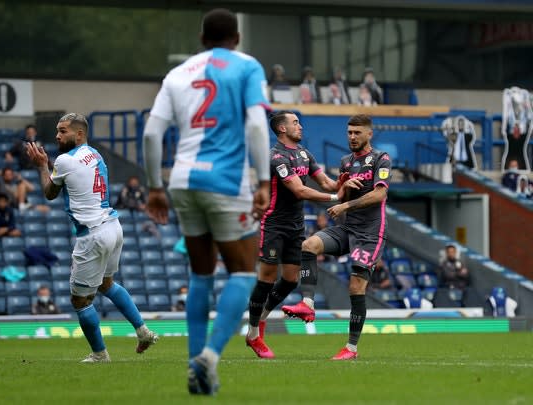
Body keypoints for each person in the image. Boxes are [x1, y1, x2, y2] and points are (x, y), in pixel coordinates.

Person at [142, 8, 271, 395]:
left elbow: (152, 134)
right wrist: (263, 179)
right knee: (244, 272)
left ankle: (193, 364)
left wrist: (154, 187)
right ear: (236, 38)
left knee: (200, 273)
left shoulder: (177, 74)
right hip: (227, 181)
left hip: (182, 180)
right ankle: (210, 357)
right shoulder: (247, 67)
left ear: (201, 39)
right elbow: (254, 124)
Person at [26, 112, 158, 363]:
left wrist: (42, 165)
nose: (57, 135)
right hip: (113, 226)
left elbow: (49, 193)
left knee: (79, 299)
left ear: (79, 134)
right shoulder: (96, 154)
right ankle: (143, 331)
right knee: (107, 284)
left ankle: (100, 354)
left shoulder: (64, 160)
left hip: (93, 235)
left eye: (62, 130)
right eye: (57, 130)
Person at [282, 114, 392, 361]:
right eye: (349, 132)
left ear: (369, 134)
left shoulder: (381, 159)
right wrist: (343, 190)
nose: (352, 137)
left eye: (357, 132)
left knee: (356, 286)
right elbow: (341, 197)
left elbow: (379, 196)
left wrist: (346, 205)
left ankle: (351, 348)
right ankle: (307, 304)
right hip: (347, 228)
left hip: (370, 233)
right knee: (309, 245)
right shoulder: (345, 162)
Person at [245, 111, 341, 359]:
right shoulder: (276, 157)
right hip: (274, 225)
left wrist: (350, 182)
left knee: (289, 280)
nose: (300, 126)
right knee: (266, 279)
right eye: (295, 122)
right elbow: (299, 190)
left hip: (296, 227)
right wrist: (336, 198)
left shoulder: (304, 154)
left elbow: (328, 183)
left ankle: (260, 322)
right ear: (282, 129)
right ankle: (254, 333)